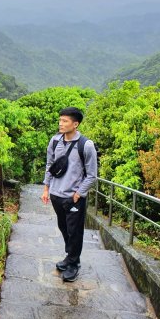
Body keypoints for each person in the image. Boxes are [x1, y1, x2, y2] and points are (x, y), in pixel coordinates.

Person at [41, 107, 97, 282]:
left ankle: (73, 264)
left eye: (65, 121)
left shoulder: (85, 145)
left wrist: (78, 194)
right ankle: (71, 257)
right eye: (60, 120)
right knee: (64, 228)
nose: (61, 124)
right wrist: (46, 188)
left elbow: (92, 175)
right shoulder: (55, 141)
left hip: (74, 198)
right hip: (57, 195)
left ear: (76, 124)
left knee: (74, 232)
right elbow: (50, 165)